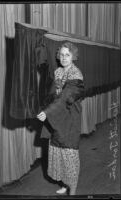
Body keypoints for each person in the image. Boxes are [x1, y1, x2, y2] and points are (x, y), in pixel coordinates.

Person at [37, 42, 84, 195]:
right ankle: (65, 184)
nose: (63, 58)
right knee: (58, 152)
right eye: (62, 55)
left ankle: (73, 190)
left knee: (69, 154)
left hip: (69, 119)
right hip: (56, 118)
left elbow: (65, 98)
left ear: (73, 56)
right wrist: (43, 107)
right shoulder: (58, 72)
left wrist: (48, 112)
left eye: (67, 55)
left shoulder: (76, 75)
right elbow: (53, 95)